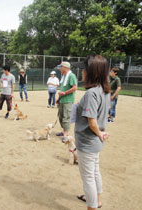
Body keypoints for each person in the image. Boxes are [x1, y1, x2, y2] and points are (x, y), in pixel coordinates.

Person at [72, 55, 111, 210]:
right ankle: (97, 200)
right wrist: (101, 134)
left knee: (88, 177)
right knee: (94, 171)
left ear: (91, 72)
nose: (82, 72)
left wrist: (99, 133)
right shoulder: (104, 90)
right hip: (95, 142)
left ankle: (92, 206)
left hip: (88, 141)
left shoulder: (91, 93)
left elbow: (92, 121)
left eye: (84, 69)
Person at [56, 61, 77, 140]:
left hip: (68, 100)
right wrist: (59, 98)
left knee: (66, 117)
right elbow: (63, 88)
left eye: (61, 67)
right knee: (61, 117)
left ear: (65, 68)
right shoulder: (64, 76)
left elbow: (74, 88)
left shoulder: (71, 76)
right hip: (62, 100)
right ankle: (64, 130)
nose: (60, 69)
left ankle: (65, 134)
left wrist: (64, 93)